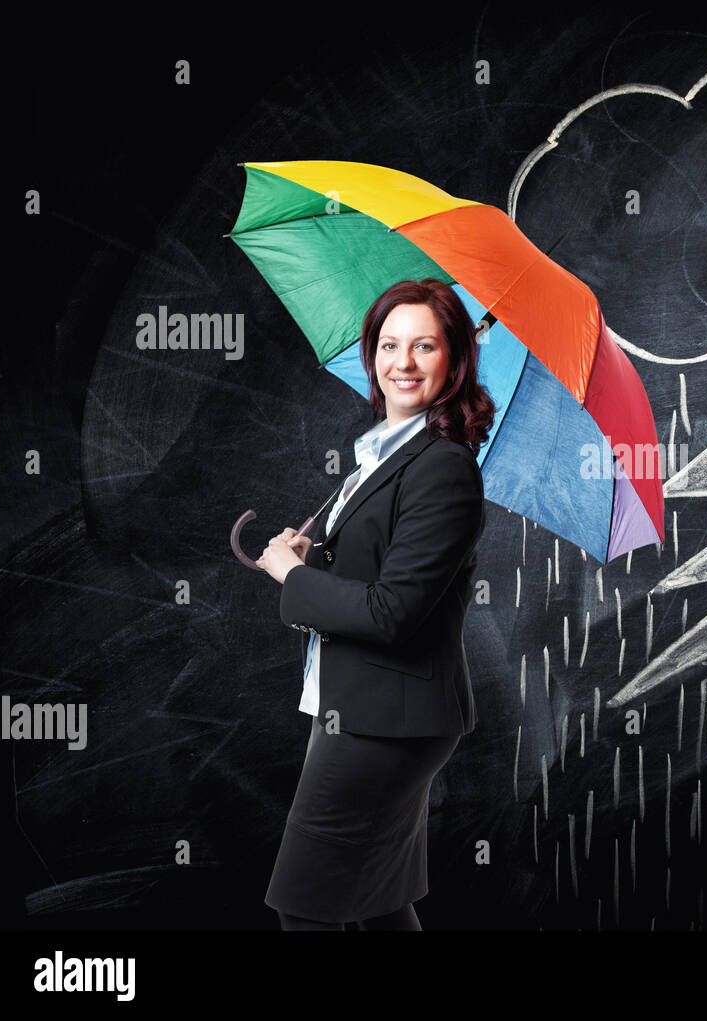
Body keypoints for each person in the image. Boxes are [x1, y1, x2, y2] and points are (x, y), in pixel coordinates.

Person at [255, 278, 495, 931]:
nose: (404, 362)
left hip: (386, 720)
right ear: (371, 354)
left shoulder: (445, 468)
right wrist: (311, 555)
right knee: (381, 902)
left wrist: (289, 577)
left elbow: (394, 612)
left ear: (455, 359)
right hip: (360, 704)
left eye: (425, 345)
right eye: (390, 343)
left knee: (305, 908)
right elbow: (371, 564)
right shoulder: (383, 455)